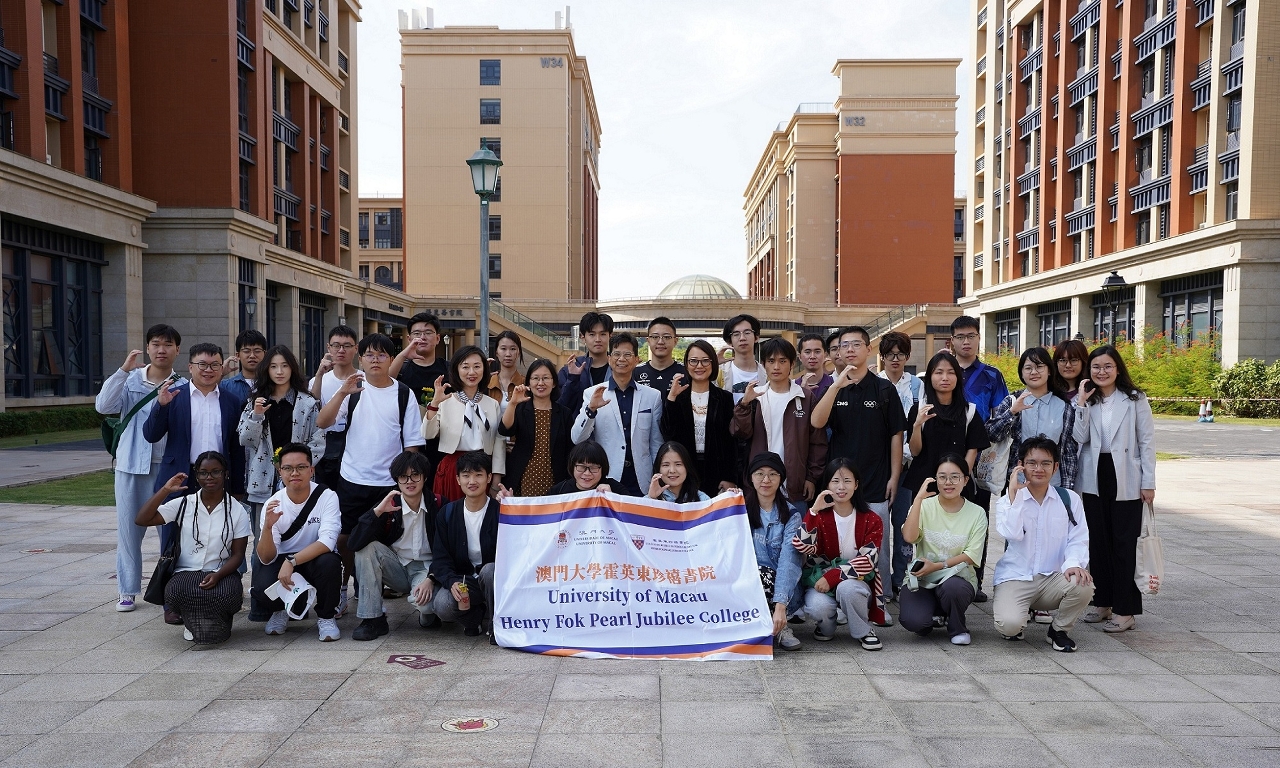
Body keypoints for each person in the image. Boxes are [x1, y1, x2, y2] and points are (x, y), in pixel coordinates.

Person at [316, 333, 425, 616]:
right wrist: (342, 392)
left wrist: (406, 481)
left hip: (388, 483)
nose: (375, 360)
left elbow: (412, 444)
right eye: (369, 355)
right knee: (344, 539)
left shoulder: (404, 393)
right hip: (352, 478)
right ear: (361, 358)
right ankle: (342, 591)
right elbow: (322, 422)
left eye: (381, 355)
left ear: (391, 359)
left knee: (382, 542)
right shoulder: (353, 388)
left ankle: (372, 596)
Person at [143, 342, 248, 626]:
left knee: (218, 537)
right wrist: (160, 405)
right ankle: (171, 603)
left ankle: (216, 592)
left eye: (214, 365)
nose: (208, 370)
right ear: (190, 367)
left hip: (217, 479)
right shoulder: (173, 397)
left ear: (222, 368)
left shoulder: (230, 400)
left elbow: (236, 447)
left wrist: (237, 487)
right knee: (172, 540)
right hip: (180, 478)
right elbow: (151, 435)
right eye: (202, 364)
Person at [811, 326, 905, 607]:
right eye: (844, 345)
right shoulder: (833, 388)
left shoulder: (884, 389)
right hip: (840, 483)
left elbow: (896, 435)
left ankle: (880, 597)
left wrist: (895, 476)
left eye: (856, 344)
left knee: (878, 544)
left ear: (868, 349)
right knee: (840, 541)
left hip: (875, 479)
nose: (849, 349)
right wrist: (836, 386)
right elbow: (817, 421)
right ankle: (841, 595)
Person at [96, 323, 183, 613]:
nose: (161, 350)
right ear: (147, 348)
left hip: (166, 468)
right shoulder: (130, 379)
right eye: (156, 344)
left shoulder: (183, 385)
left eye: (168, 344)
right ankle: (127, 590)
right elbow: (103, 406)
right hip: (131, 465)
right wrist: (123, 370)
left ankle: (170, 588)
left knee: (169, 531)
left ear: (177, 350)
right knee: (129, 531)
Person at [1073, 344, 1155, 633]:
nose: (1102, 371)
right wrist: (1081, 403)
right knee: (1098, 543)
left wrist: (1149, 482)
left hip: (1127, 475)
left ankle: (1125, 609)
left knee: (1124, 545)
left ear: (1118, 369)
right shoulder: (1088, 400)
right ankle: (1103, 602)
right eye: (1096, 367)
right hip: (1094, 476)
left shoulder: (1134, 398)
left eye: (1107, 366)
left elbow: (1147, 442)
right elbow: (1079, 437)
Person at [134, 451, 251, 645]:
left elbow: (238, 555)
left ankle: (217, 621)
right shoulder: (184, 504)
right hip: (185, 571)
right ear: (196, 476)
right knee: (179, 591)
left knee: (227, 594)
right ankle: (194, 621)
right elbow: (142, 519)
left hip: (221, 571)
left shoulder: (237, 510)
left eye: (215, 472)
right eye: (203, 473)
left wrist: (218, 575)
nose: (209, 477)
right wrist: (165, 490)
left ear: (225, 474)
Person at [992, 437, 1094, 651]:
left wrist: (1074, 564)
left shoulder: (1069, 499)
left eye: (1046, 463)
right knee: (1009, 626)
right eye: (1032, 463)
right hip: (1016, 577)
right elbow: (1011, 533)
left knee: (1083, 583)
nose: (1039, 469)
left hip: (1052, 578)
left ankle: (1059, 630)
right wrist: (1014, 495)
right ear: (1021, 465)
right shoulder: (1008, 500)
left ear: (1055, 467)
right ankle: (1018, 617)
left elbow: (1078, 538)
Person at [904, 351, 990, 598]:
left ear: (958, 378)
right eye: (938, 372)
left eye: (951, 372)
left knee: (960, 533)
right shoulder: (919, 409)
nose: (945, 377)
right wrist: (917, 424)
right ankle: (924, 579)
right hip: (926, 483)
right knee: (925, 535)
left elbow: (973, 448)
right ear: (930, 377)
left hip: (957, 484)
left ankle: (967, 583)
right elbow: (915, 451)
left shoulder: (969, 411)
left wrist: (961, 479)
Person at [250, 443, 344, 641]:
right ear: (280, 472)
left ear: (311, 470)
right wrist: (267, 528)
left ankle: (326, 617)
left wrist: (291, 561)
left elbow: (327, 542)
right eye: (288, 468)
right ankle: (280, 611)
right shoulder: (272, 503)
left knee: (330, 563)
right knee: (261, 578)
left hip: (315, 557)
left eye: (301, 467)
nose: (294, 473)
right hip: (282, 561)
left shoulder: (327, 497)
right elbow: (266, 558)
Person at [349, 451, 440, 640]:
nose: (409, 481)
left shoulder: (438, 504)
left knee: (427, 606)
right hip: (396, 566)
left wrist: (432, 578)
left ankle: (427, 614)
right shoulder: (388, 505)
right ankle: (373, 619)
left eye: (415, 475)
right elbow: (354, 543)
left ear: (424, 477)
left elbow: (448, 550)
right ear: (397, 480)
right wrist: (376, 513)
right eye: (403, 476)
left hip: (426, 570)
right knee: (366, 550)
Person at [797, 457, 888, 649]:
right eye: (835, 481)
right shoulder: (819, 517)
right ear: (827, 485)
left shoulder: (871, 519)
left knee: (848, 589)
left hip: (856, 581)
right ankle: (826, 627)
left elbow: (869, 560)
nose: (841, 487)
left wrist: (834, 576)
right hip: (819, 579)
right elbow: (801, 546)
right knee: (818, 607)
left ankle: (864, 630)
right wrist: (813, 511)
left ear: (856, 484)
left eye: (847, 481)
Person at [898, 454, 988, 645]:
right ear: (935, 480)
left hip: (958, 578)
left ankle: (957, 627)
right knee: (914, 622)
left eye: (955, 477)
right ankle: (935, 614)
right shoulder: (923, 506)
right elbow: (909, 537)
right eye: (942, 477)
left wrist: (938, 566)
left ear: (965, 480)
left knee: (952, 588)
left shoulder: (977, 513)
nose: (948, 482)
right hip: (922, 578)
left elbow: (970, 556)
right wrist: (918, 499)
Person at [732, 337, 826, 503]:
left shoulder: (805, 397)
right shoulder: (755, 397)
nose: (776, 367)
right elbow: (740, 433)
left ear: (792, 364)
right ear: (763, 364)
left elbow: (817, 441)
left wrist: (811, 477)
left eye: (782, 361)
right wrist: (744, 404)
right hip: (760, 483)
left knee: (796, 520)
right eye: (771, 361)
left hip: (795, 484)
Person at [571, 332, 664, 497]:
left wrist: (657, 477)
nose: (622, 359)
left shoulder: (652, 396)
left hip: (642, 480)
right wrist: (591, 410)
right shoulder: (593, 393)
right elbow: (577, 438)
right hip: (607, 479)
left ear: (637, 359)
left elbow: (656, 443)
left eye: (627, 354)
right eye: (617, 354)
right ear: (609, 358)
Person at [238, 345, 323, 521]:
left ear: (292, 368)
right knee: (263, 532)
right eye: (273, 366)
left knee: (298, 530)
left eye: (284, 366)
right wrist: (256, 416)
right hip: (263, 481)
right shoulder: (255, 402)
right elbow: (245, 440)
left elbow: (318, 442)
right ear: (266, 370)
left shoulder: (308, 403)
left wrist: (297, 466)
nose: (279, 371)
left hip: (298, 479)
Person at [985, 346, 1078, 490]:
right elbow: (992, 435)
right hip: (1017, 483)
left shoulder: (1063, 407)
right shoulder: (1012, 401)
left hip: (1052, 485)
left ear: (1049, 371)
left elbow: (1068, 452)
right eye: (1028, 368)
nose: (1034, 372)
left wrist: (1066, 489)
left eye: (1039, 367)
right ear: (1022, 373)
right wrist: (1012, 412)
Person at [430, 451, 501, 637]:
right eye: (466, 475)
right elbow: (441, 557)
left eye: (478, 475)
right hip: (465, 581)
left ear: (489, 478)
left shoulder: (500, 511)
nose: (472, 481)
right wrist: (451, 581)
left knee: (490, 570)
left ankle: (497, 626)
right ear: (458, 479)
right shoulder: (447, 513)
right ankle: (473, 617)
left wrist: (513, 509)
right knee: (442, 605)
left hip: (495, 581)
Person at [423, 345, 506, 501]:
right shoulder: (445, 402)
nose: (471, 372)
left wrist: (496, 481)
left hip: (482, 470)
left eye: (477, 366)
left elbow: (499, 444)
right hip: (453, 470)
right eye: (465, 367)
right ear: (456, 370)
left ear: (484, 370)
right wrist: (434, 403)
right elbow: (428, 434)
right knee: (451, 513)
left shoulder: (492, 404)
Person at [744, 452, 805, 651]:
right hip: (746, 587)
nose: (766, 480)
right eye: (759, 474)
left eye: (773, 474)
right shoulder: (739, 510)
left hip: (783, 593)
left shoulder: (792, 515)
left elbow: (789, 562)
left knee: (763, 574)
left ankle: (780, 623)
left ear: (781, 479)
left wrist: (781, 605)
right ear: (751, 478)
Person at [878, 331, 924, 598]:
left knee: (903, 522)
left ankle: (901, 577)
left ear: (907, 356)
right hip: (879, 464)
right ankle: (880, 579)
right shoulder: (875, 382)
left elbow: (920, 422)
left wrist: (907, 452)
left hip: (908, 465)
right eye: (890, 354)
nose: (895, 359)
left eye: (900, 354)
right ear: (882, 357)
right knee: (879, 523)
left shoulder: (917, 386)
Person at [660, 340, 737, 496]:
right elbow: (667, 433)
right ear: (686, 364)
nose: (699, 366)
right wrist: (671, 399)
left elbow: (730, 442)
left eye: (705, 361)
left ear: (713, 363)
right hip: (683, 471)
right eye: (693, 361)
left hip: (716, 471)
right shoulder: (677, 396)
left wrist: (730, 477)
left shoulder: (725, 398)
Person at [499, 359, 573, 496]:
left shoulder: (564, 413)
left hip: (555, 478)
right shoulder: (520, 408)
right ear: (528, 383)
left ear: (554, 382)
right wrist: (512, 403)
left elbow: (570, 449)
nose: (540, 383)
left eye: (546, 378)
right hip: (523, 477)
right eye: (535, 378)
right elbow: (505, 430)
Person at [390, 313, 450, 462]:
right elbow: (383, 384)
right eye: (417, 333)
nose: (422, 337)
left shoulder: (450, 369)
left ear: (438, 338)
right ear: (409, 339)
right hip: (406, 444)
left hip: (443, 445)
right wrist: (402, 356)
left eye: (428, 333)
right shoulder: (401, 370)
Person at [309, 325, 362, 488]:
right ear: (328, 348)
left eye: (347, 346)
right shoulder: (317, 380)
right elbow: (312, 411)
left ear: (356, 349)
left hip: (356, 448)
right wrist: (319, 375)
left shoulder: (365, 380)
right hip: (323, 450)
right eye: (336, 345)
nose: (341, 350)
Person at [558, 311, 614, 413]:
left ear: (610, 336)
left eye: (603, 334)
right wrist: (573, 379)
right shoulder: (568, 371)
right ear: (583, 337)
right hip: (581, 423)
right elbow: (562, 407)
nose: (598, 339)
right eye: (592, 334)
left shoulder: (619, 368)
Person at [634, 317, 687, 398]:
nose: (660, 342)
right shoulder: (635, 372)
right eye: (655, 337)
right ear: (648, 341)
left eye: (667, 337)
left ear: (675, 341)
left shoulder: (686, 372)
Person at [720, 314, 763, 403]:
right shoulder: (719, 373)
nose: (742, 338)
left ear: (756, 337)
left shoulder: (768, 373)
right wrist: (712, 363)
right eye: (736, 334)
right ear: (730, 341)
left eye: (747, 333)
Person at [546, 442, 613, 495]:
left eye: (593, 468)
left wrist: (612, 497)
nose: (587, 473)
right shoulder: (559, 491)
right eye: (581, 467)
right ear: (572, 467)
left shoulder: (613, 488)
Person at [221, 329, 267, 404]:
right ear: (238, 355)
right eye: (246, 351)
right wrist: (220, 373)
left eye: (257, 351)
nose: (252, 356)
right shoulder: (226, 386)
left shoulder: (273, 384)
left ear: (265, 354)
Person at [487, 330, 525, 409]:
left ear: (519, 353)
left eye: (513, 349)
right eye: (503, 348)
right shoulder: (488, 383)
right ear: (496, 352)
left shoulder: (526, 383)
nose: (508, 354)